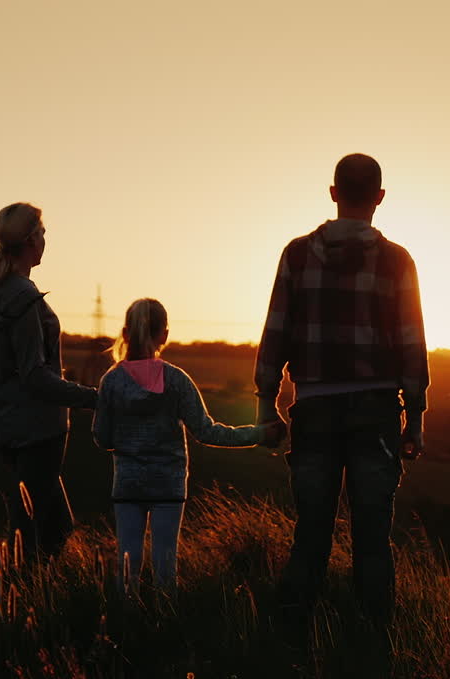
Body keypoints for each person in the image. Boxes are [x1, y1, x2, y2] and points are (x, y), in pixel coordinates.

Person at [255, 153, 429, 626]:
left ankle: (291, 642)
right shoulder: (398, 261)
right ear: (379, 198)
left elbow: (276, 332)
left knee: (311, 532)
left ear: (333, 193)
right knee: (373, 536)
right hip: (375, 412)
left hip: (313, 409)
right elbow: (412, 342)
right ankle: (373, 642)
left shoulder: (296, 254)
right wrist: (414, 417)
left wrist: (266, 404)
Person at [93, 298, 283, 591]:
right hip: (169, 485)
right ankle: (166, 624)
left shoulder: (111, 381)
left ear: (125, 333)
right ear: (164, 335)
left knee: (126, 565)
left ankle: (123, 626)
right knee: (166, 567)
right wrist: (259, 434)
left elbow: (102, 438)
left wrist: (128, 438)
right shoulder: (177, 380)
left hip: (128, 485)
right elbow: (208, 432)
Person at [0, 202, 98, 561]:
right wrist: (95, 398)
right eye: (42, 231)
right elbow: (35, 377)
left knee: (57, 527)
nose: (46, 237)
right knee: (30, 533)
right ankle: (23, 603)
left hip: (6, 427)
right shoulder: (24, 297)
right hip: (41, 430)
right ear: (30, 241)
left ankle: (47, 597)